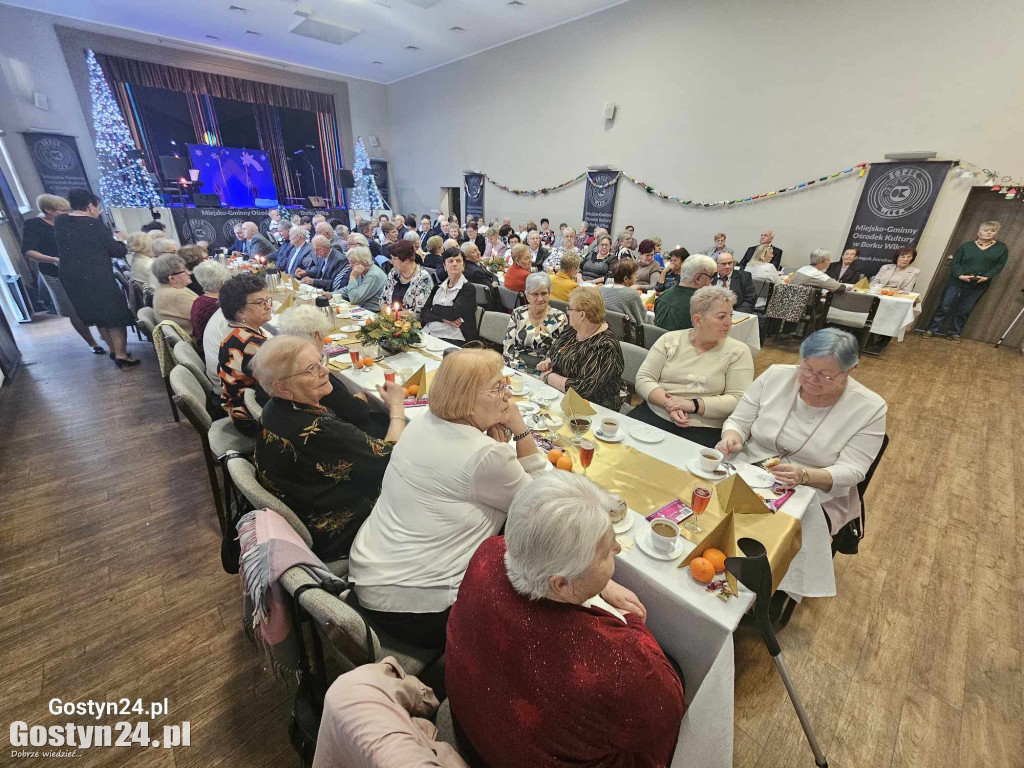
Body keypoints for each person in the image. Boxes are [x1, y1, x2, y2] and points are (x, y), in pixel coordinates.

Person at [446, 472, 685, 768]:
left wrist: (602, 585)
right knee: (676, 668)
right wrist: (633, 625)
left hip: (470, 724)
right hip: (507, 750)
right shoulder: (618, 660)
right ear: (561, 583)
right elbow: (667, 711)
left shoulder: (489, 552)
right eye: (606, 551)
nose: (618, 550)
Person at [348, 348, 545, 648]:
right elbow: (538, 503)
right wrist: (520, 429)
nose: (507, 395)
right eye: (497, 387)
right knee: (536, 562)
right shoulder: (485, 455)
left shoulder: (425, 421)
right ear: (465, 399)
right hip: (417, 608)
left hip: (370, 573)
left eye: (504, 383)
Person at [717, 328, 886, 533]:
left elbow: (853, 469)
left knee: (767, 535)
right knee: (710, 507)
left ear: (850, 370)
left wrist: (805, 475)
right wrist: (732, 437)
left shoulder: (869, 407)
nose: (812, 379)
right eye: (806, 368)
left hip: (814, 489)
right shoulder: (776, 375)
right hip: (748, 467)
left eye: (826, 375)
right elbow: (739, 421)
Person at [251, 335, 406, 560]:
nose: (325, 371)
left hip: (305, 504)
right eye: (311, 369)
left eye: (321, 361)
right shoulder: (318, 429)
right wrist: (397, 408)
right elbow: (390, 458)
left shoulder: (274, 408)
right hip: (336, 531)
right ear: (282, 386)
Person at [633, 286, 754, 447]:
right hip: (655, 414)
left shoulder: (738, 352)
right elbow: (644, 378)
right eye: (721, 317)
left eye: (731, 315)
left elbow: (738, 398)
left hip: (702, 428)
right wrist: (668, 404)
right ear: (698, 320)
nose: (729, 323)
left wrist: (692, 405)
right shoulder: (670, 340)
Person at [53, 189, 138, 367]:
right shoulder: (94, 225)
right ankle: (121, 355)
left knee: (97, 315)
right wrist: (121, 240)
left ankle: (113, 351)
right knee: (115, 315)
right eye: (97, 207)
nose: (98, 211)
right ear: (90, 206)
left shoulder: (61, 221)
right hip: (96, 276)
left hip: (72, 277)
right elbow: (117, 251)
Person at [23, 193, 105, 353]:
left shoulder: (68, 222)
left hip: (81, 270)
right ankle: (92, 343)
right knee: (72, 310)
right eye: (62, 211)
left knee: (95, 303)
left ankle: (105, 335)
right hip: (55, 273)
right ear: (48, 210)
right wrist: (52, 259)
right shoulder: (34, 225)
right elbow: (28, 251)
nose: (67, 213)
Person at [538, 287, 624, 410]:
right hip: (560, 395)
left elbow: (583, 388)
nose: (567, 312)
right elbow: (555, 350)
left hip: (592, 409)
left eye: (570, 309)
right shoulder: (573, 329)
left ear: (582, 315)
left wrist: (548, 377)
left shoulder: (605, 346)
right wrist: (549, 362)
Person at [926, 221, 1008, 341]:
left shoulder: (1001, 248)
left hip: (979, 284)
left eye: (993, 230)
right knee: (944, 305)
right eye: (986, 230)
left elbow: (999, 265)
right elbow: (955, 262)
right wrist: (960, 275)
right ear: (979, 232)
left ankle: (954, 333)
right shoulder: (966, 246)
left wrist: (987, 277)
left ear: (996, 233)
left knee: (965, 310)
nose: (989, 232)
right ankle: (931, 329)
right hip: (956, 281)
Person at [217, 273, 273, 436]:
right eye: (259, 303)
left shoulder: (237, 331)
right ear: (240, 312)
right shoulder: (249, 343)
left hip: (242, 407)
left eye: (267, 300)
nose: (268, 306)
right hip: (251, 418)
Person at [503, 273, 569, 372]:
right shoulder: (518, 313)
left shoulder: (560, 318)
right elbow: (508, 347)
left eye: (544, 293)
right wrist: (519, 369)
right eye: (535, 294)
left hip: (544, 369)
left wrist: (542, 371)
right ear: (527, 296)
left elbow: (559, 351)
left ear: (549, 293)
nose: (540, 299)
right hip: (516, 365)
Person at [420, 248, 478, 344]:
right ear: (444, 266)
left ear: (463, 266)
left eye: (458, 261)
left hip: (455, 336)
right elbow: (424, 314)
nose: (455, 264)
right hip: (429, 331)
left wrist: (434, 308)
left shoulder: (468, 288)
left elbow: (453, 313)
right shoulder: (437, 287)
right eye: (450, 261)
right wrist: (443, 319)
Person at [654, 253, 716, 331]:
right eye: (711, 277)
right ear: (698, 278)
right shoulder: (701, 306)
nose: (711, 282)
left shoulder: (662, 297)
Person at [380, 239, 434, 316]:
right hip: (389, 319)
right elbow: (383, 298)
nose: (391, 262)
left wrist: (394, 315)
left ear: (406, 260)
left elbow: (419, 311)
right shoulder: (394, 273)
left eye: (394, 259)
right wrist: (385, 310)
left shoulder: (423, 278)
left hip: (410, 324)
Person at [151, 253, 199, 337]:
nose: (189, 272)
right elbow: (205, 317)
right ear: (172, 278)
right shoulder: (177, 295)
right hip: (197, 341)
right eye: (184, 270)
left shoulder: (164, 288)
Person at [190, 260, 230, 347]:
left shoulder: (199, 300)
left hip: (204, 345)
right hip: (214, 349)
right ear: (223, 282)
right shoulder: (218, 307)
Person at [600, 259, 647, 327]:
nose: (637, 276)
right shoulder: (631, 294)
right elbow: (641, 321)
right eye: (635, 274)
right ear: (626, 279)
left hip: (606, 332)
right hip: (628, 335)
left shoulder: (601, 289)